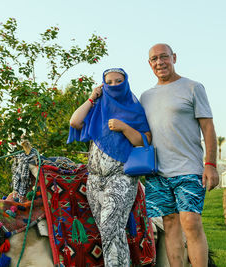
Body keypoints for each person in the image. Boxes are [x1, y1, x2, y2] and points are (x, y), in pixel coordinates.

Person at [140, 44, 219, 267]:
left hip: (188, 168)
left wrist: (210, 164)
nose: (159, 62)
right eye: (154, 59)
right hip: (157, 171)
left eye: (164, 57)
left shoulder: (193, 87)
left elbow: (208, 128)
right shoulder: (145, 97)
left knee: (191, 221)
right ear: (149, 64)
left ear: (173, 58)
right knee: (169, 223)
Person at [67, 68, 151, 267]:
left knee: (110, 227)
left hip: (121, 176)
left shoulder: (133, 108)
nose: (113, 85)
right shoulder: (97, 108)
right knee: (110, 232)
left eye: (118, 81)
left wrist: (124, 127)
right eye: (109, 82)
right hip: (95, 179)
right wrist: (90, 99)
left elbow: (145, 140)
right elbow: (75, 122)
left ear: (126, 82)